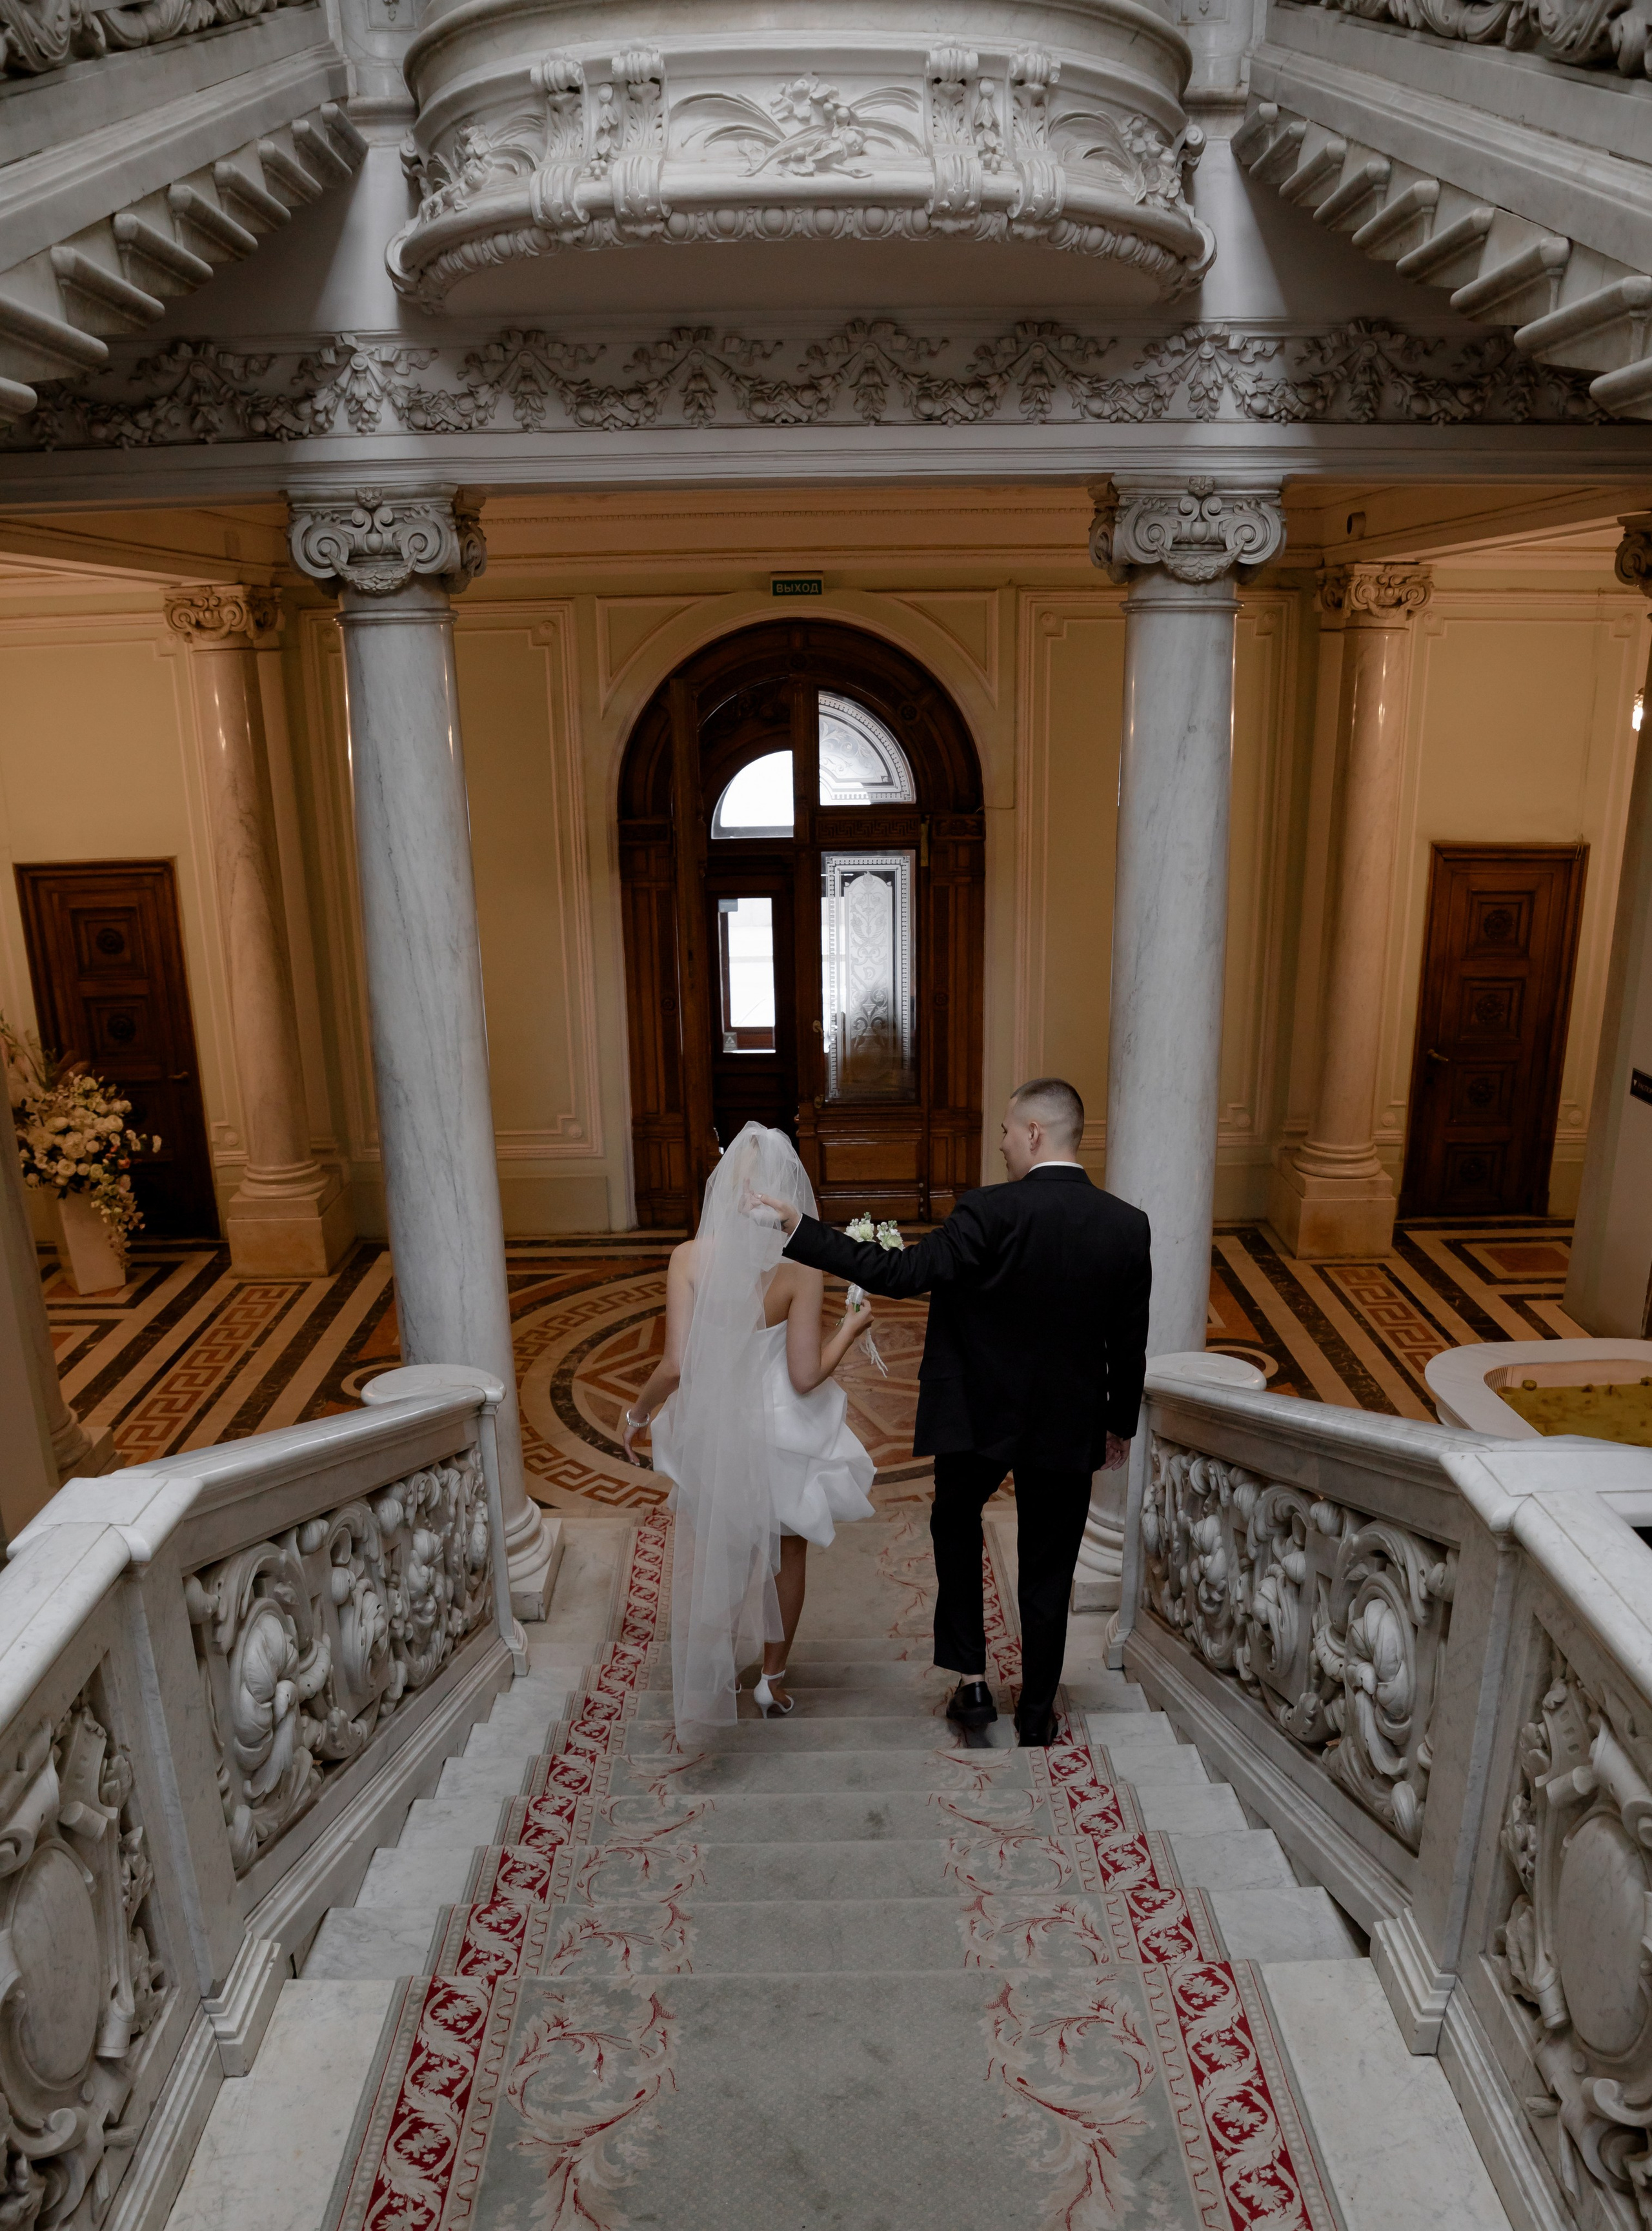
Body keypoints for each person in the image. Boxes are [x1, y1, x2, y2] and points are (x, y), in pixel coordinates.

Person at [754, 1076, 1150, 1747]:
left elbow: (901, 1275)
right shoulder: (1125, 1225)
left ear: (1034, 1133)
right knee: (1049, 1565)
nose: (1000, 1143)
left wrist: (801, 1231)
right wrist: (1118, 1425)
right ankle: (1036, 1712)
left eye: (1005, 1129)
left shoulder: (987, 1213)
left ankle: (971, 1682)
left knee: (955, 1522)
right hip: (1066, 1426)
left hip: (977, 1420)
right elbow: (1127, 1340)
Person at [621, 1122, 876, 1741]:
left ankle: (706, 1681)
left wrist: (636, 1416)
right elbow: (807, 1373)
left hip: (716, 1428)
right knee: (788, 1550)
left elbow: (676, 1366)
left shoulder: (688, 1258)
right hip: (782, 1427)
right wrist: (853, 1328)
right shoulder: (801, 1267)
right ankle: (771, 1676)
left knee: (724, 1553)